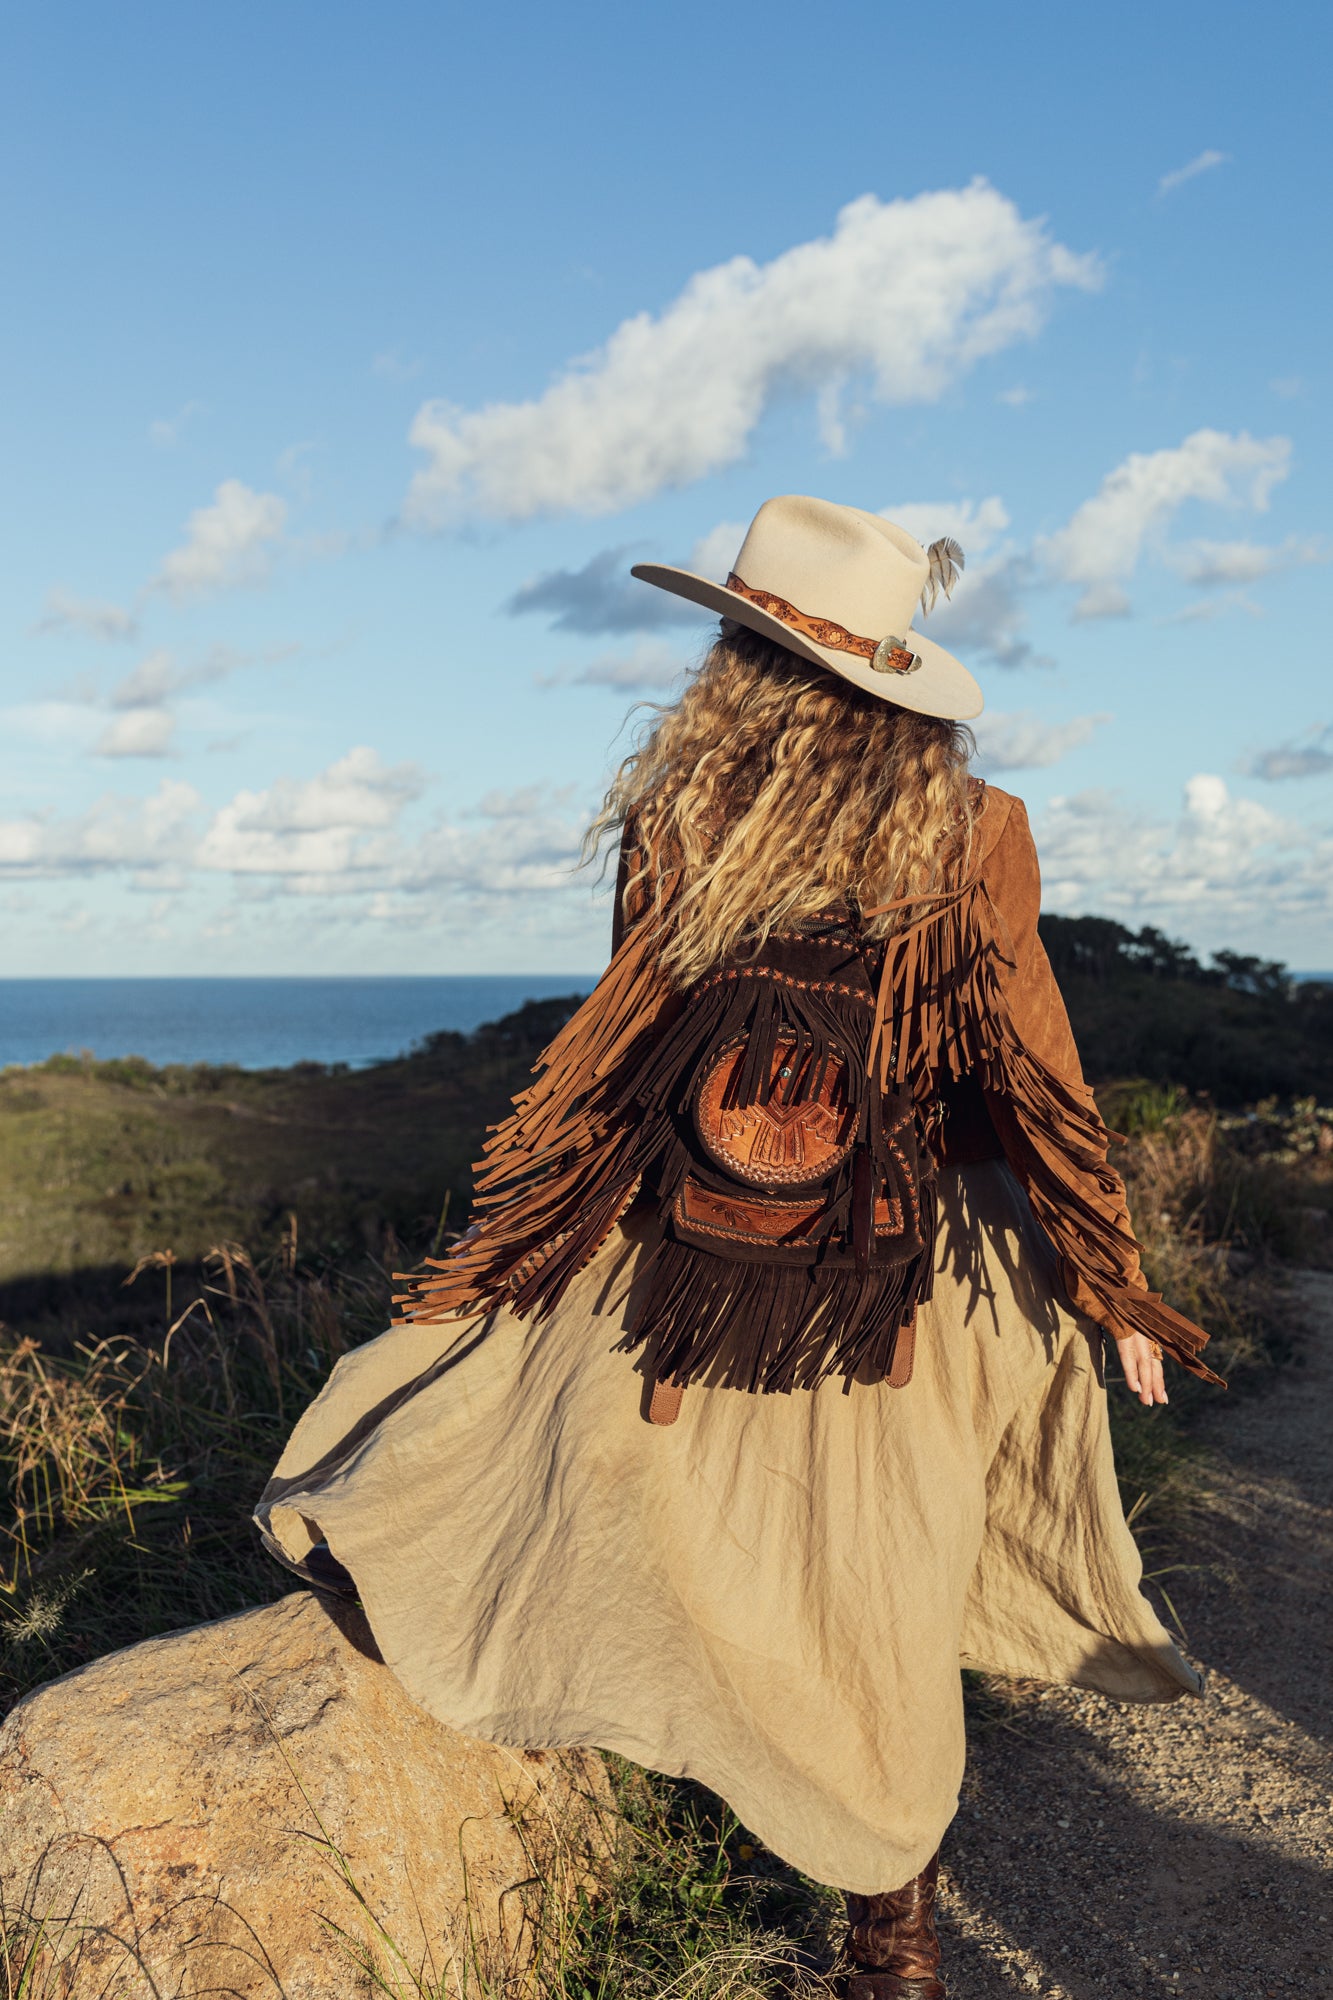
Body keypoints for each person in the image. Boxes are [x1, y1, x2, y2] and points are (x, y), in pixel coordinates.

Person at [257, 496, 1218, 1999]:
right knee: (876, 1591)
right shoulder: (978, 830)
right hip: (912, 1262)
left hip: (696, 1247)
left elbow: (617, 1059)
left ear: (738, 662)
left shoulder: (680, 816)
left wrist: (526, 1252)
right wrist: (1103, 1279)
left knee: (583, 1469)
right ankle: (888, 1947)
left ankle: (654, 1739)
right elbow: (1036, 1076)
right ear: (895, 685)